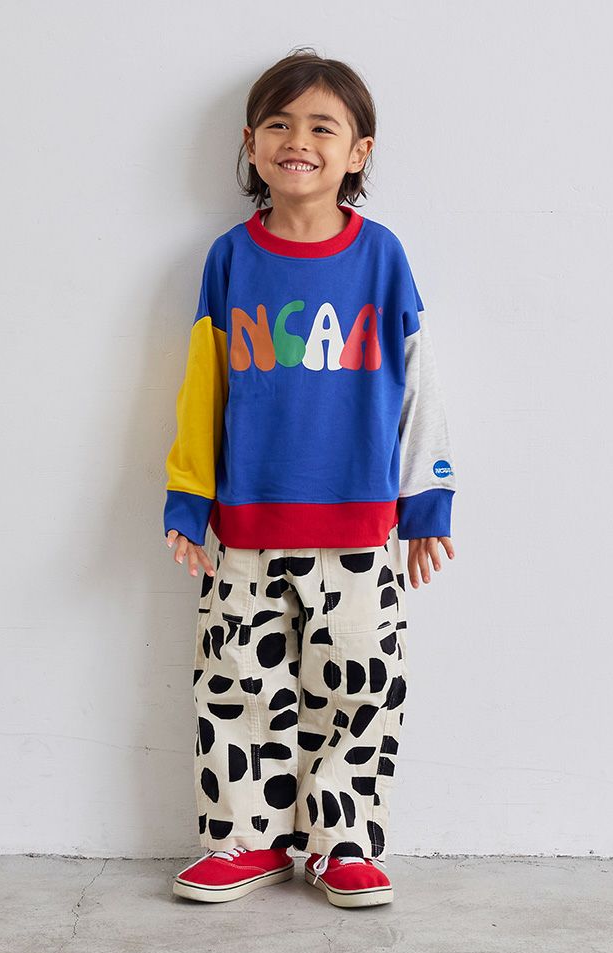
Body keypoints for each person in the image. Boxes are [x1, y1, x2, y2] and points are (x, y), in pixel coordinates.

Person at [163, 47, 457, 909]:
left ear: (358, 151)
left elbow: (418, 380)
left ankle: (344, 844)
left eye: (323, 127)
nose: (299, 141)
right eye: (279, 124)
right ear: (250, 143)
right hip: (245, 530)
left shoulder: (381, 257)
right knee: (236, 688)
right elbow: (202, 386)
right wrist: (188, 495)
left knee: (359, 691)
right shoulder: (230, 259)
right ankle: (245, 840)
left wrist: (427, 498)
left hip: (361, 533)